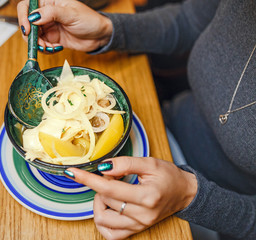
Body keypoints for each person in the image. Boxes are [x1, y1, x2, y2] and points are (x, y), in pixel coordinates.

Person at [16, 0, 256, 239]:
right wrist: (106, 30)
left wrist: (190, 197)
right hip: (166, 122)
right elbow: (190, 21)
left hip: (216, 209)